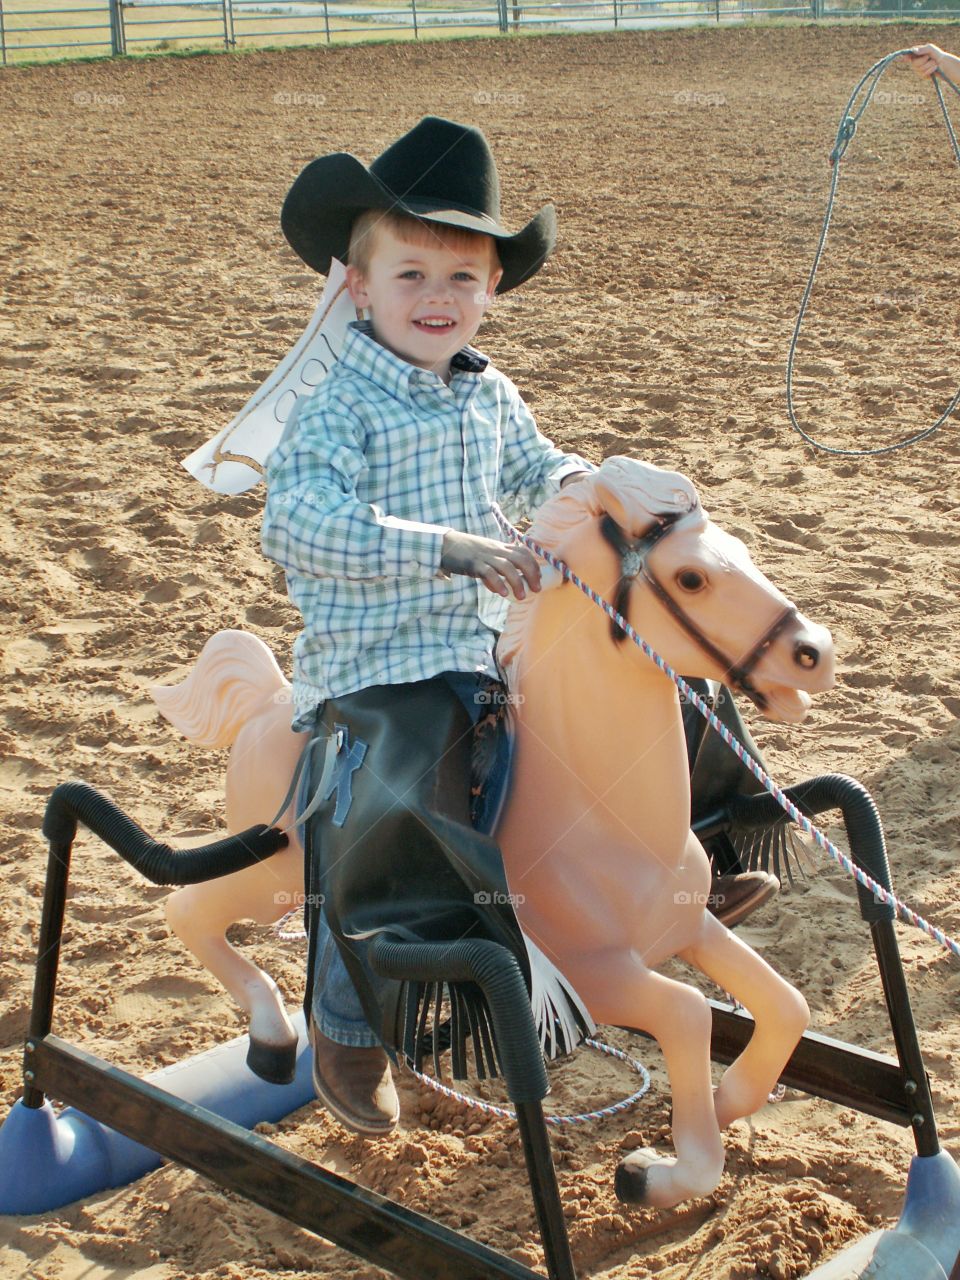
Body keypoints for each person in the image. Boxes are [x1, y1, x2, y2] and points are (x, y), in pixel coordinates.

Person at [262, 117, 777, 1138]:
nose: (438, 299)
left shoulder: (486, 392)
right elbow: (298, 522)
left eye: (463, 278)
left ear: (493, 289)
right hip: (387, 657)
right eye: (411, 276)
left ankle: (698, 863)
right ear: (357, 286)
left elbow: (539, 469)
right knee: (410, 775)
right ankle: (350, 1021)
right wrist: (448, 548)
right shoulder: (336, 409)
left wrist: (601, 492)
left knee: (670, 674)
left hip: (493, 636)